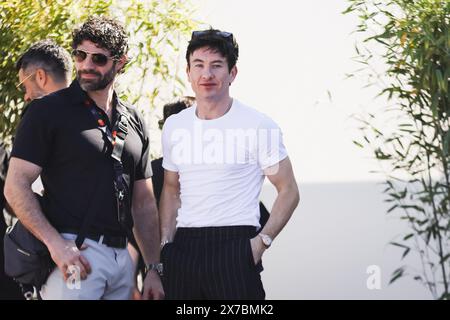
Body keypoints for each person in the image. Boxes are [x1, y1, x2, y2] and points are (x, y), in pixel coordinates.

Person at [4, 16, 163, 300]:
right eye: (80, 55)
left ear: (120, 62)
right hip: (73, 255)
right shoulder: (48, 111)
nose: (87, 65)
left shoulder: (135, 119)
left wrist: (153, 267)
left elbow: (144, 203)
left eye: (99, 59)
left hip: (122, 261)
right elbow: (15, 185)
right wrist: (56, 245)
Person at [159, 29, 300, 299]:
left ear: (232, 73)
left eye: (216, 66)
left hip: (235, 245)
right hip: (183, 249)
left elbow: (289, 190)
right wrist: (166, 243)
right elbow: (170, 188)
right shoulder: (175, 126)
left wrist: (261, 243)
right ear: (188, 72)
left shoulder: (258, 125)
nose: (206, 75)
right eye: (198, 65)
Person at [0, 40, 73, 300]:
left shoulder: (39, 113)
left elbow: (17, 189)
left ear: (40, 76)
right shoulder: (105, 113)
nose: (25, 95)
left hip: (60, 252)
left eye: (25, 85)